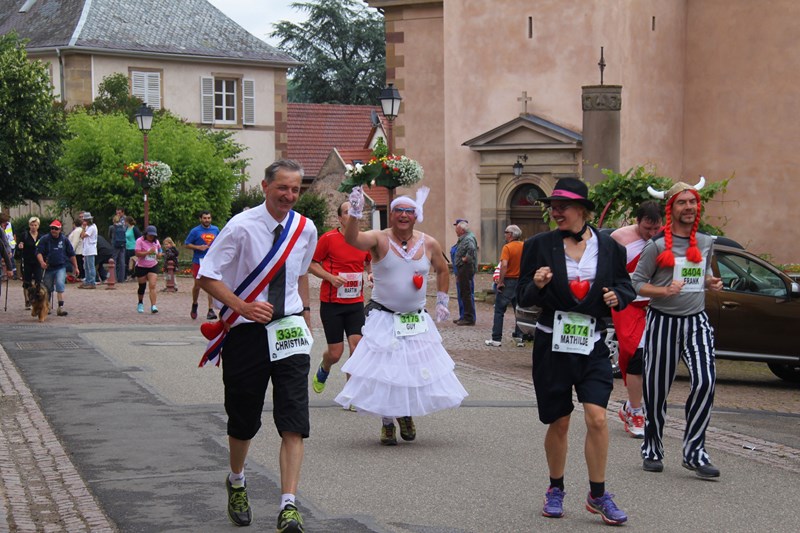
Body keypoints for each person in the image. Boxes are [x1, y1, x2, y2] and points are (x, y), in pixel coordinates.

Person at [197, 159, 317, 530]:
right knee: (243, 419)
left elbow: (298, 275)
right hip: (247, 332)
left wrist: (306, 315)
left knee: (294, 419)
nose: (289, 195)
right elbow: (206, 276)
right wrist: (242, 306)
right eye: (283, 188)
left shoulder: (305, 227)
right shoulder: (240, 226)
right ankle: (236, 480)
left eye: (296, 189)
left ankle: (288, 505)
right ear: (265, 186)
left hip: (289, 331)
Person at [516, 177, 634, 525]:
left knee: (597, 417)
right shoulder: (538, 245)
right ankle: (556, 488)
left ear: (581, 210)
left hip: (593, 344)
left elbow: (624, 285)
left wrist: (618, 297)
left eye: (562, 207)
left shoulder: (611, 248)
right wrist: (536, 284)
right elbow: (521, 294)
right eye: (552, 207)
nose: (555, 212)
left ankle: (598, 495)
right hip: (553, 344)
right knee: (561, 420)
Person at [336, 185, 468, 446]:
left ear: (416, 214)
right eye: (398, 211)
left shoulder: (428, 242)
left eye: (409, 211)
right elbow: (352, 240)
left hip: (415, 319)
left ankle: (405, 415)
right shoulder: (379, 238)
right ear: (391, 214)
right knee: (387, 372)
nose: (404, 216)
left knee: (410, 370)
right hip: (384, 317)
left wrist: (442, 300)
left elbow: (443, 269)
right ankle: (387, 422)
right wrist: (355, 211)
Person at [631, 178, 723, 479]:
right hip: (662, 323)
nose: (689, 207)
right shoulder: (656, 245)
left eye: (692, 202)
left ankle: (695, 452)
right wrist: (663, 291)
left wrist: (711, 282)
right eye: (682, 202)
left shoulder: (706, 242)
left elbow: (703, 274)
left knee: (705, 381)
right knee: (656, 391)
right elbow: (636, 283)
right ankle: (653, 449)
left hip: (696, 320)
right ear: (671, 208)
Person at [308, 201, 372, 399]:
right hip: (332, 304)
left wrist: (370, 274)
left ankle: (352, 394)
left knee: (357, 348)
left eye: (355, 212)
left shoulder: (365, 239)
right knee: (335, 353)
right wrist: (330, 277)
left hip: (355, 303)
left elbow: (370, 262)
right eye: (347, 212)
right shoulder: (328, 238)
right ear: (340, 218)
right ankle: (325, 366)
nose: (352, 215)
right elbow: (312, 263)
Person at [610, 201, 663, 438]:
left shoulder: (666, 238)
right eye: (647, 228)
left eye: (656, 228)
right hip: (628, 304)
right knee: (635, 353)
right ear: (637, 221)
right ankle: (636, 411)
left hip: (656, 303)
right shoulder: (619, 237)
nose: (652, 234)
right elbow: (606, 268)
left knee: (653, 360)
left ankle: (631, 407)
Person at [485, 225, 525, 347]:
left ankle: (496, 338)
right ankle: (519, 337)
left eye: (506, 232)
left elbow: (504, 265)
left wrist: (501, 281)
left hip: (508, 281)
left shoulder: (507, 247)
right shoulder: (525, 246)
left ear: (511, 235)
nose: (504, 234)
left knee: (499, 310)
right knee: (519, 310)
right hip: (521, 281)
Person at [36, 220, 79, 317]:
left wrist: (76, 267)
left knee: (60, 284)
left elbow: (71, 254)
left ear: (60, 229)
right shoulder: (44, 239)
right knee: (47, 288)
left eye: (56, 228)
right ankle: (46, 307)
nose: (53, 230)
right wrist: (42, 262)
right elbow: (38, 252)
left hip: (60, 266)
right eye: (52, 228)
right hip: (48, 267)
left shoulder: (64, 240)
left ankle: (60, 307)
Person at [185, 211, 220, 320]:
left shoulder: (215, 230)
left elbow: (220, 241)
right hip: (198, 261)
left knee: (211, 285)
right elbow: (187, 244)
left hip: (211, 261)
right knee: (198, 285)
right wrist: (198, 247)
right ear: (200, 219)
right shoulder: (195, 231)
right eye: (204, 218)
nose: (207, 220)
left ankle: (210, 310)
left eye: (209, 218)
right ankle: (195, 303)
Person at [453, 219, 478, 325]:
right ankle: (465, 316)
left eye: (457, 229)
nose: (456, 231)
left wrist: (465, 259)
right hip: (462, 269)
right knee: (464, 293)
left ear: (462, 230)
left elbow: (472, 250)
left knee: (466, 293)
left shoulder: (468, 239)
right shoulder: (464, 238)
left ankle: (468, 318)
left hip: (466, 268)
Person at [134, 225, 163, 314]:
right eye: (150, 235)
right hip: (141, 266)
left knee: (152, 285)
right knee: (142, 286)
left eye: (153, 235)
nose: (151, 237)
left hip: (153, 265)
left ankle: (153, 305)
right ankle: (140, 302)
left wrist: (159, 254)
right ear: (146, 234)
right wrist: (148, 253)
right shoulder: (140, 241)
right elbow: (137, 253)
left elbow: (160, 250)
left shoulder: (156, 242)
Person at [17, 217, 43, 310]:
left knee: (38, 281)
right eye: (32, 225)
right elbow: (18, 248)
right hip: (27, 261)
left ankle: (37, 300)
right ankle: (27, 300)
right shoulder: (25, 236)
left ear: (38, 226)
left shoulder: (41, 236)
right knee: (27, 282)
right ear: (29, 226)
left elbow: (44, 248)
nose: (33, 227)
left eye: (35, 225)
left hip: (37, 262)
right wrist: (20, 247)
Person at [79, 212, 98, 288]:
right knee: (86, 267)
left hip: (90, 249)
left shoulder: (92, 227)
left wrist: (83, 228)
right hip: (86, 249)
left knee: (91, 266)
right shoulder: (88, 227)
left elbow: (83, 235)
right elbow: (81, 236)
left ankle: (92, 282)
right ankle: (87, 280)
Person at [110, 209, 128, 282]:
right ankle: (121, 278)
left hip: (115, 244)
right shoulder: (123, 227)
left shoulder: (112, 227)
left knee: (113, 261)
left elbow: (110, 236)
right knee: (122, 261)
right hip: (123, 244)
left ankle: (113, 277)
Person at [67, 214, 85, 280]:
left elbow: (75, 241)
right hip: (78, 250)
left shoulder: (77, 231)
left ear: (74, 224)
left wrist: (71, 250)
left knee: (79, 264)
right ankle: (80, 276)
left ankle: (81, 276)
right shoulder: (79, 230)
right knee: (79, 264)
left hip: (78, 251)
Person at [0, 213, 17, 279]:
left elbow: (5, 243)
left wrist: (9, 251)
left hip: (10, 246)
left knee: (11, 260)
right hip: (5, 249)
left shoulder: (9, 226)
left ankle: (13, 273)